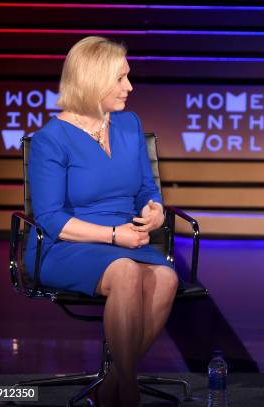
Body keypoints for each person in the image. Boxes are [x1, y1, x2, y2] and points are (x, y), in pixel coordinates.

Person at [25, 36, 178, 407]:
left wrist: (155, 208)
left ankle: (112, 383)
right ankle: (126, 391)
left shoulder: (128, 124)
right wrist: (113, 236)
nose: (130, 86)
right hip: (65, 244)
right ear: (93, 79)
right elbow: (49, 218)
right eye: (121, 78)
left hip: (125, 238)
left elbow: (145, 188)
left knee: (166, 277)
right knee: (126, 272)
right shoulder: (50, 139)